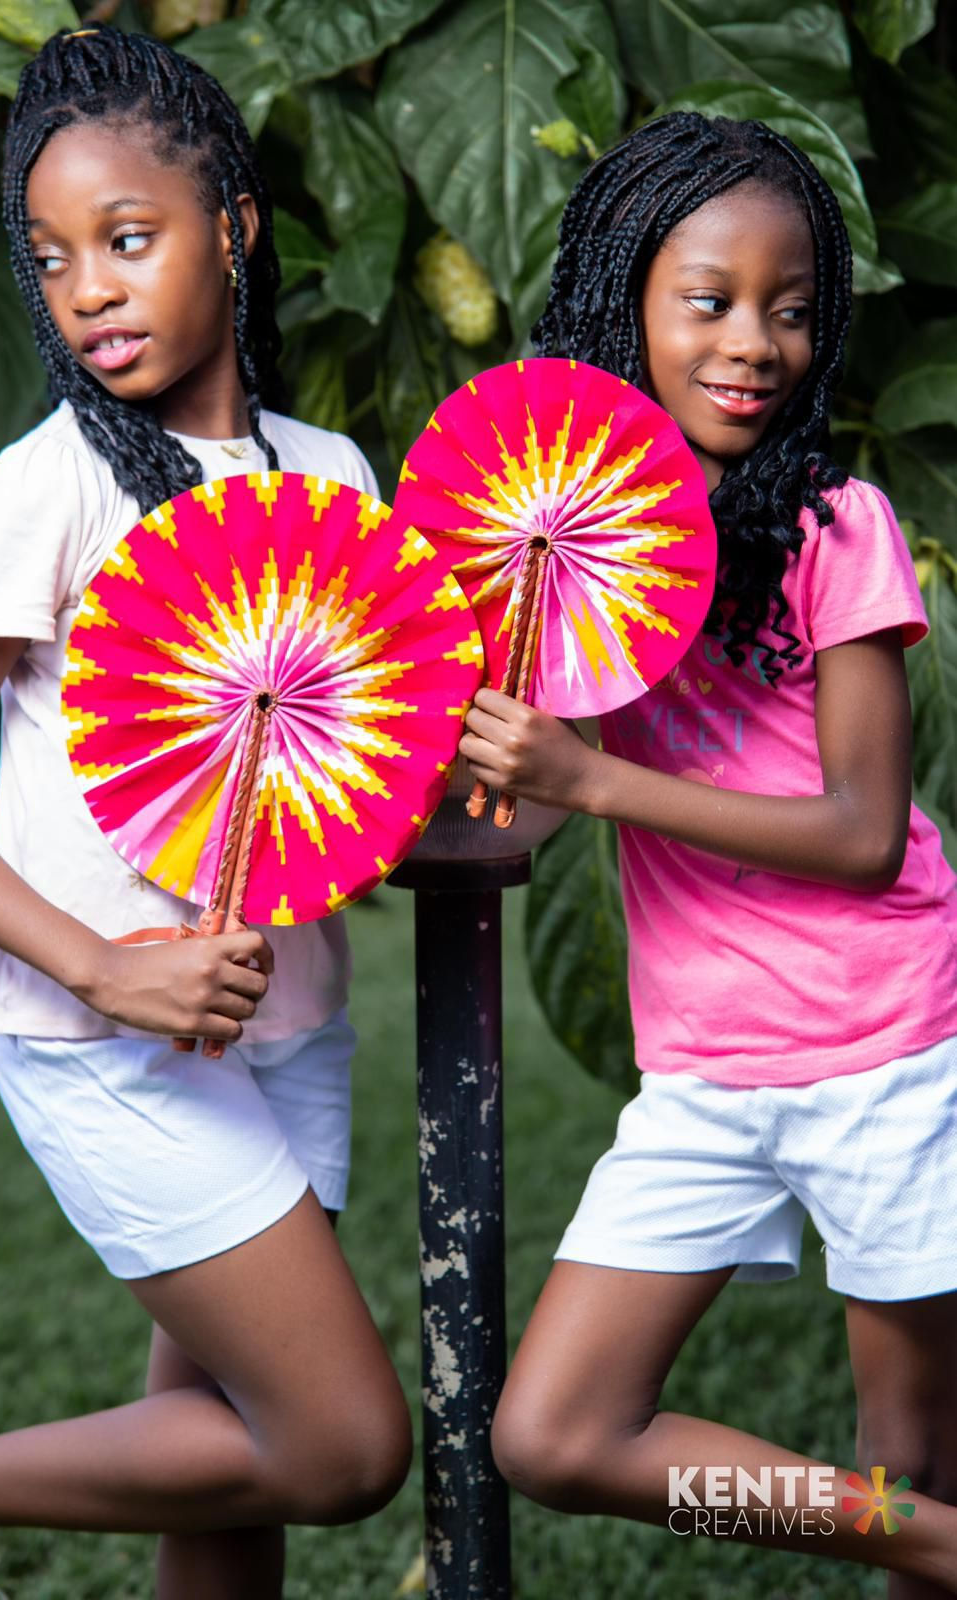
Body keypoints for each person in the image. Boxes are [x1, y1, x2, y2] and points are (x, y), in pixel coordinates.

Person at [0, 26, 411, 1599]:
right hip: (98, 1040)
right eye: (52, 261)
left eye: (129, 240)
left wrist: (501, 787)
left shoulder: (331, 477)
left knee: (229, 1481)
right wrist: (105, 969)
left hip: (284, 1026)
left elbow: (368, 783)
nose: (90, 289)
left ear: (234, 228)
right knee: (337, 1445)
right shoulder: (41, 491)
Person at [460, 112, 957, 1596]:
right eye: (709, 300)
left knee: (905, 1462)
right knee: (551, 1433)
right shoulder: (567, 548)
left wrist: (594, 779)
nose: (755, 341)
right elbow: (523, 814)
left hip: (886, 1045)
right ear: (627, 307)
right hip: (703, 1076)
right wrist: (366, 798)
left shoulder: (832, 524)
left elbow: (863, 836)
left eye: (791, 309)